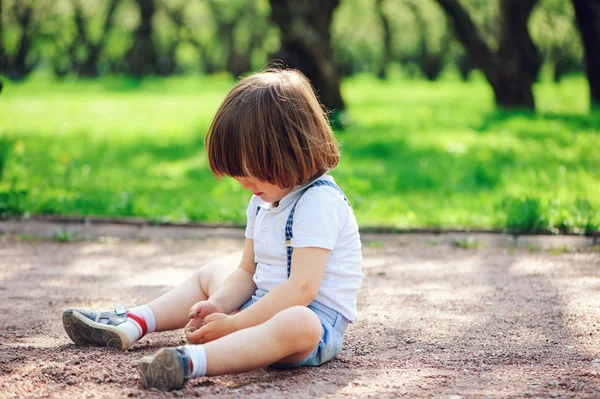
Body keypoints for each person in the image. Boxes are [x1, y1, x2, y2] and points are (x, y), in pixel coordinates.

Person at [62, 68, 363, 391]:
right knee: (214, 272)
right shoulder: (263, 199)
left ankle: (190, 361)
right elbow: (248, 272)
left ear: (287, 153)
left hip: (309, 326)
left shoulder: (319, 202)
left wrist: (234, 323)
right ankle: (135, 321)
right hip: (258, 310)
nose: (244, 184)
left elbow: (301, 290)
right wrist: (218, 305)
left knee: (299, 323)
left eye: (252, 173)